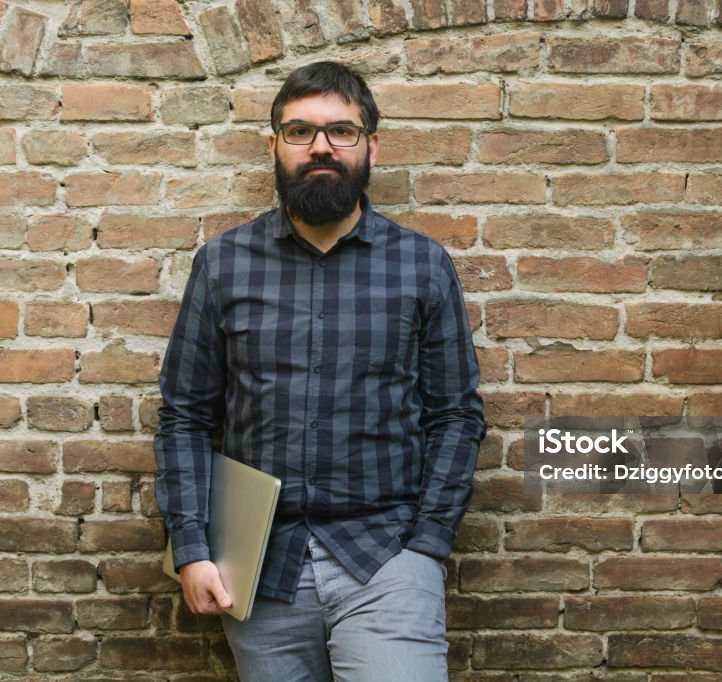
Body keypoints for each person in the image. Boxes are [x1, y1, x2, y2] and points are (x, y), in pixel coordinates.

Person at [153, 61, 486, 682]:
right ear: (274, 145)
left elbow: (456, 415)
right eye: (300, 131)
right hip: (256, 563)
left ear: (371, 145)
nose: (322, 147)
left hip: (387, 554)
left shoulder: (421, 265)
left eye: (342, 131)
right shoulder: (224, 265)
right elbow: (186, 417)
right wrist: (192, 549)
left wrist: (427, 543)